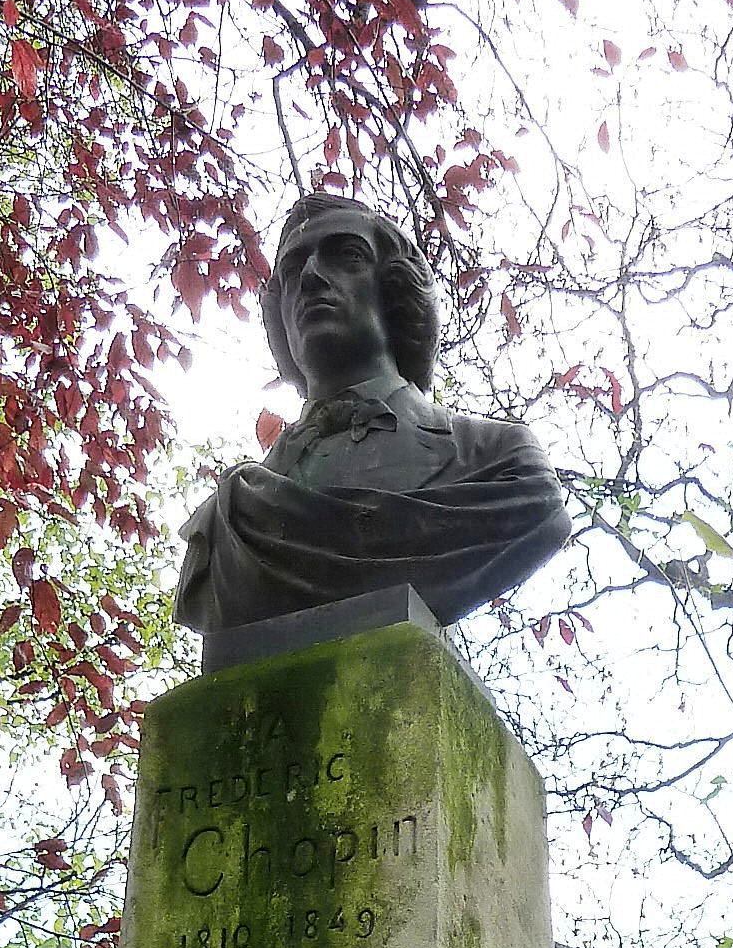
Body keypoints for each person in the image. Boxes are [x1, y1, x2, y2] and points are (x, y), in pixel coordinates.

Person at [175, 192, 572, 636]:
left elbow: (542, 515)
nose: (309, 277)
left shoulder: (502, 462)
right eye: (291, 270)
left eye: (346, 255)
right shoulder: (234, 518)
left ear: (394, 292)